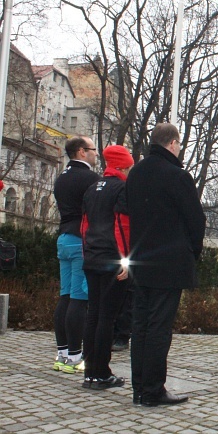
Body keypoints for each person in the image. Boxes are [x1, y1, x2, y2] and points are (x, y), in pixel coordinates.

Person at [127, 123, 206, 407]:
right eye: (179, 145)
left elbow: (127, 214)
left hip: (140, 261)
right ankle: (153, 391)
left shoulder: (135, 173)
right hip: (169, 264)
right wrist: (191, 253)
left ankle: (139, 389)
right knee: (159, 329)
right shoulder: (177, 176)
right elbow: (196, 221)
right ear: (172, 143)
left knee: (141, 327)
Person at [81, 145, 134, 390]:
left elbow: (85, 227)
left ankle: (90, 370)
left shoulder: (93, 188)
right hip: (112, 259)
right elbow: (121, 226)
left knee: (93, 314)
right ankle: (101, 372)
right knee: (107, 318)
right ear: (123, 165)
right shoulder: (122, 189)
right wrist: (125, 259)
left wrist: (87, 254)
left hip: (91, 257)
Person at [53, 136, 99, 374]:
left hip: (63, 238)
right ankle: (74, 356)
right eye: (92, 150)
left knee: (65, 295)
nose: (95, 154)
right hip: (81, 240)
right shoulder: (90, 179)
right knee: (79, 299)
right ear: (82, 152)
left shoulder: (61, 178)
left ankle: (61, 353)